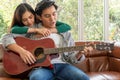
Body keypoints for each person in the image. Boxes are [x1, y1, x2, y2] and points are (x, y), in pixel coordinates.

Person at [1, 1, 91, 80]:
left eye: (54, 14)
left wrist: (80, 53)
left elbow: (71, 59)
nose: (52, 19)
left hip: (62, 66)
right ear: (39, 17)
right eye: (47, 16)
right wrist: (22, 51)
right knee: (37, 78)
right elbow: (5, 37)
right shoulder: (32, 29)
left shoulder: (65, 33)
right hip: (40, 68)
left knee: (83, 78)